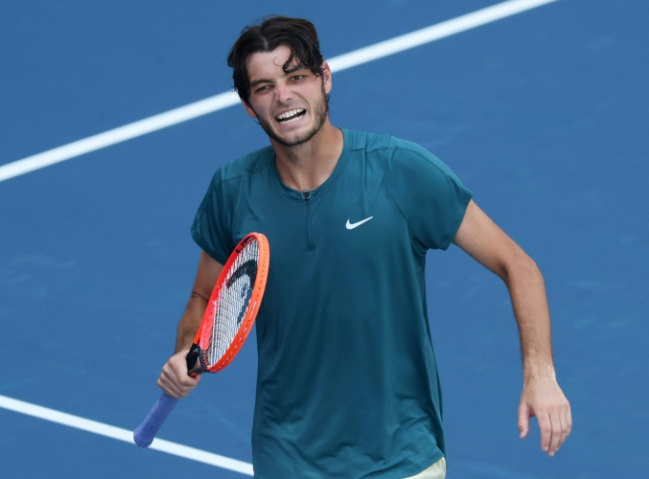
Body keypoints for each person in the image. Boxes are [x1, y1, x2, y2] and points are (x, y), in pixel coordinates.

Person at [157, 15, 571, 478]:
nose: (284, 97)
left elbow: (518, 264)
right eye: (264, 87)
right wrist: (185, 351)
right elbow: (202, 299)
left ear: (324, 78)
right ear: (249, 107)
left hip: (400, 456)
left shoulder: (400, 172)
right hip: (287, 459)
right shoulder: (232, 191)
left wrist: (540, 374)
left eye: (297, 77)